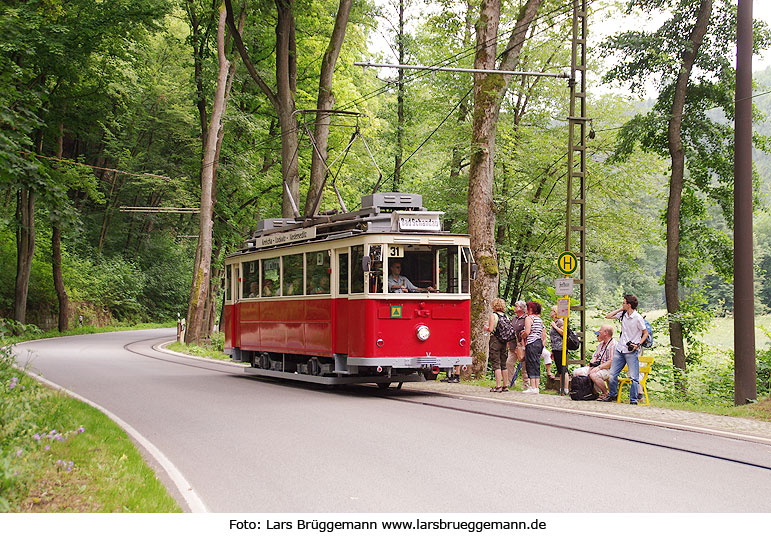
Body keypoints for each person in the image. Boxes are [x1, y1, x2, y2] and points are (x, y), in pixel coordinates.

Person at [602, 294, 649, 404]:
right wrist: (621, 309)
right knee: (612, 375)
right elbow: (608, 316)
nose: (622, 304)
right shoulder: (623, 314)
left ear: (629, 304)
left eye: (624, 303)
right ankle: (613, 394)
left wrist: (638, 344)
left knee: (634, 377)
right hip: (620, 349)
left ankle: (633, 400)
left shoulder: (638, 318)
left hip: (631, 351)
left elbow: (645, 333)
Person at [484, 298, 509, 392]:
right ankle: (505, 385)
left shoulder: (493, 315)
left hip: (495, 340)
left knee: (496, 363)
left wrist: (485, 327)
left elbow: (490, 329)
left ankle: (498, 386)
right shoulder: (506, 316)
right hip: (504, 341)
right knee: (504, 364)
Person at [588, 324, 616, 400]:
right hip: (598, 366)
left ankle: (606, 394)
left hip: (608, 369)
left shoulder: (612, 345)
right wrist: (592, 364)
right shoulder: (601, 344)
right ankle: (594, 394)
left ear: (605, 333)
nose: (599, 331)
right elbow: (595, 356)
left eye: (600, 330)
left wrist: (599, 367)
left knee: (594, 375)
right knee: (578, 372)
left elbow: (611, 361)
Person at [522, 301, 546, 393]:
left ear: (530, 309)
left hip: (531, 342)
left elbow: (527, 332)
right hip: (539, 343)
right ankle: (536, 386)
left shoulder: (529, 318)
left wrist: (522, 335)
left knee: (530, 363)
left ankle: (532, 387)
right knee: (536, 364)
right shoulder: (539, 319)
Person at [507, 301, 528, 389]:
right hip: (513, 345)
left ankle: (526, 385)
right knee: (509, 363)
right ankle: (511, 382)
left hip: (523, 346)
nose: (515, 307)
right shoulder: (514, 318)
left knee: (524, 366)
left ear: (521, 308)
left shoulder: (526, 318)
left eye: (516, 306)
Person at [549, 306, 569, 394]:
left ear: (555, 312)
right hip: (555, 348)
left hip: (561, 347)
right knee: (560, 369)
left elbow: (564, 333)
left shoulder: (560, 321)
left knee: (564, 369)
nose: (550, 313)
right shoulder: (556, 321)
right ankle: (562, 388)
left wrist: (555, 327)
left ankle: (565, 388)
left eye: (552, 311)